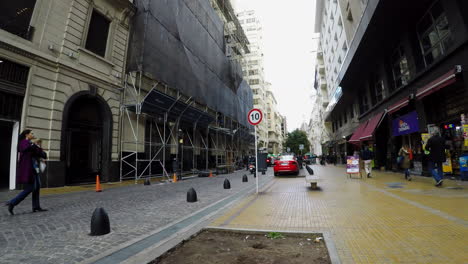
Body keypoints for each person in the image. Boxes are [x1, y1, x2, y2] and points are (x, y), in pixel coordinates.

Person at [4, 130, 47, 215]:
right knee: (31, 188)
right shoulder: (23, 143)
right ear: (27, 135)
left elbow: (43, 154)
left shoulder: (32, 144)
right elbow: (27, 149)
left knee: (37, 187)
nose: (33, 134)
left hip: (35, 169)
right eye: (31, 133)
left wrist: (37, 147)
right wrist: (34, 145)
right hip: (28, 169)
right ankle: (12, 202)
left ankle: (36, 206)